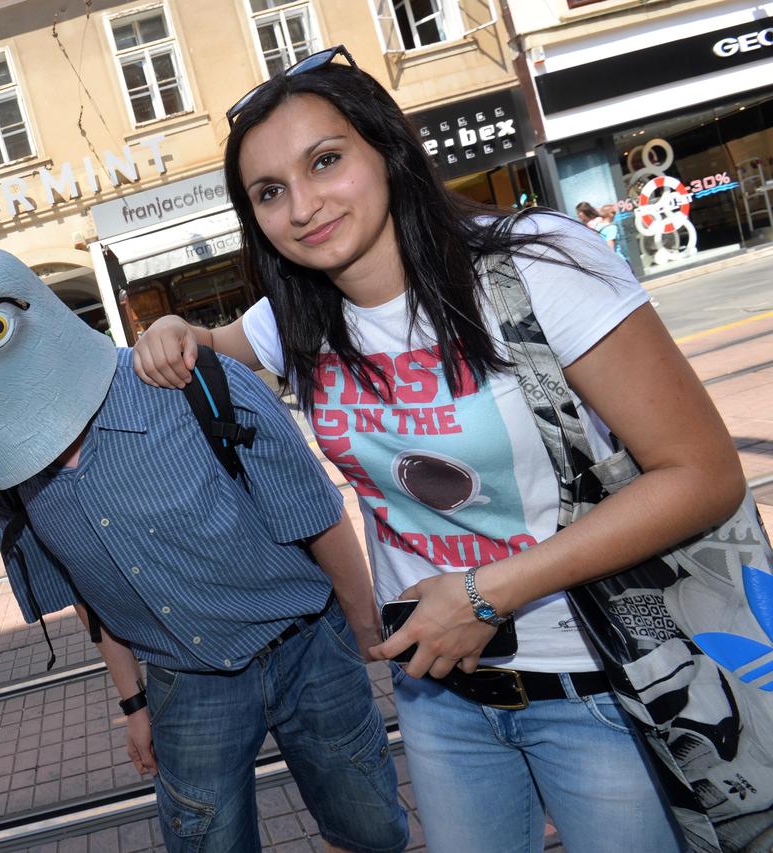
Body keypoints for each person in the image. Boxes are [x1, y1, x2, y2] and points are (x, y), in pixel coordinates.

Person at [131, 45, 747, 852]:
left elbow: (703, 473)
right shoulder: (298, 318)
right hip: (439, 697)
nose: (305, 205)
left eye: (326, 161)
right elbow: (207, 346)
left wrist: (488, 591)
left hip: (599, 683)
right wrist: (173, 331)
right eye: (270, 192)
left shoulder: (534, 263)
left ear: (387, 149)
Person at [0, 246, 409, 853]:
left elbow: (318, 517)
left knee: (368, 831)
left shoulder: (192, 384)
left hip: (310, 648)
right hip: (186, 682)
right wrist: (133, 702)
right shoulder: (15, 483)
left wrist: (367, 629)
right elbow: (92, 603)